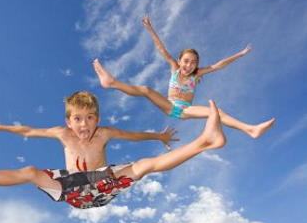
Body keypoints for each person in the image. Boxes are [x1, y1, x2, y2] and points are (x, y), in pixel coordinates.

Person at [0, 91, 226, 209]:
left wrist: (159, 135)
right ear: (69, 120)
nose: (84, 124)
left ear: (97, 119)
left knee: (144, 165)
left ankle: (205, 141)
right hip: (73, 191)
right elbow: (28, 130)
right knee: (30, 172)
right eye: (77, 119)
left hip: (103, 184)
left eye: (89, 118)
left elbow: (134, 135)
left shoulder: (105, 133)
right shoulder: (61, 133)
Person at [93, 15, 275, 139]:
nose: (189, 65)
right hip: (169, 105)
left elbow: (219, 65)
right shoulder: (174, 68)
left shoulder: (197, 74)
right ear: (180, 61)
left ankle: (250, 129)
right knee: (146, 90)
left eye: (193, 62)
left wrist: (240, 54)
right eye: (186, 61)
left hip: (186, 110)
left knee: (216, 112)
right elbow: (161, 49)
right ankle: (111, 82)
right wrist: (150, 29)